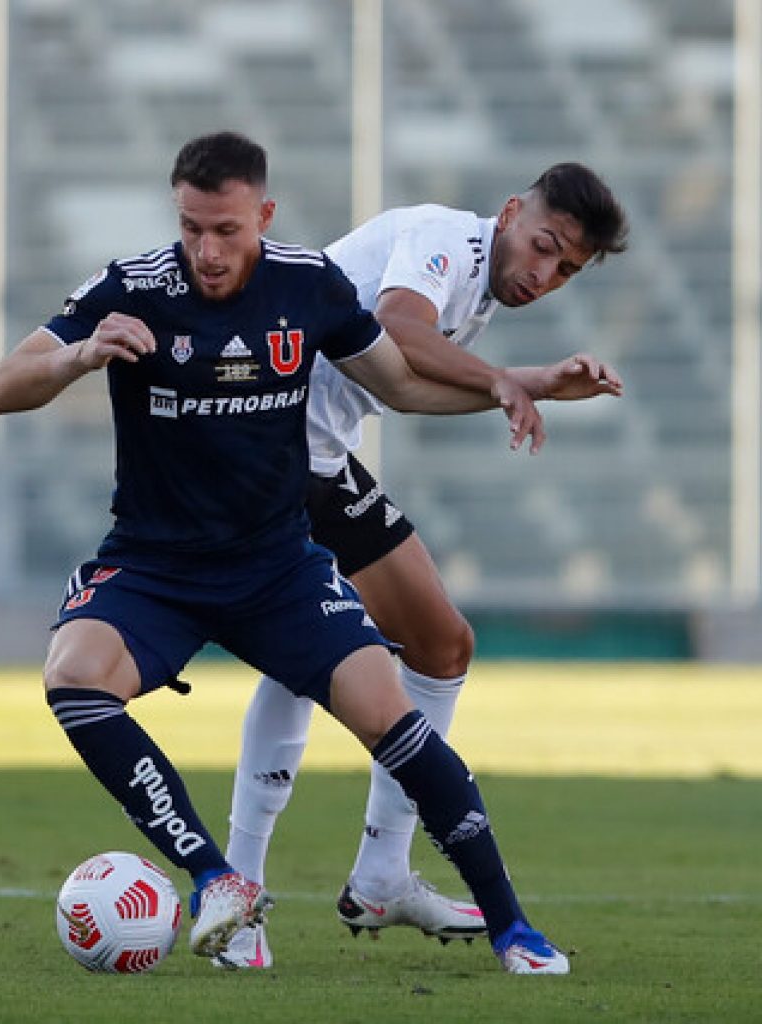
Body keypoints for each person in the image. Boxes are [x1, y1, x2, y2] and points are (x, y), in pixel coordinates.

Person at [0, 130, 578, 975]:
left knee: (395, 713)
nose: (207, 250)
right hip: (154, 566)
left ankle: (513, 929)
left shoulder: (309, 285)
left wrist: (520, 384)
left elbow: (403, 386)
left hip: (278, 570)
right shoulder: (133, 287)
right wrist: (80, 356)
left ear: (263, 216)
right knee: (73, 679)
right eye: (191, 227)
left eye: (226, 230)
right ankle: (217, 877)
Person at [218, 163, 629, 969]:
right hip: (264, 452)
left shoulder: (477, 292)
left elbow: (404, 387)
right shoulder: (444, 242)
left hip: (316, 459)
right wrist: (505, 381)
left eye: (567, 269)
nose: (545, 274)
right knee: (308, 659)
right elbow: (400, 328)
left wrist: (533, 384)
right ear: (509, 213)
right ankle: (240, 892)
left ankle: (380, 876)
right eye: (544, 245)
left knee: (440, 645)